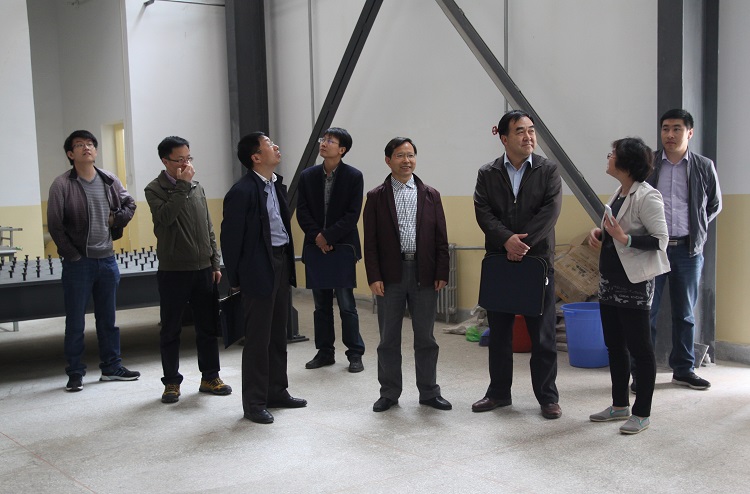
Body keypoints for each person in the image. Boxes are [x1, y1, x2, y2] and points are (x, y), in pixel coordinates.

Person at [472, 110, 563, 419]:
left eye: (531, 130)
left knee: (543, 335)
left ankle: (548, 398)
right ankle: (498, 393)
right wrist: (506, 240)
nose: (528, 137)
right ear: (504, 137)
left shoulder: (548, 170)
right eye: (520, 131)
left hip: (536, 262)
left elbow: (550, 211)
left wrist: (521, 244)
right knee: (499, 334)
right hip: (500, 261)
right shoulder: (487, 173)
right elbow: (483, 211)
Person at [221, 132, 306, 424]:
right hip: (257, 268)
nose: (276, 146)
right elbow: (231, 239)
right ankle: (254, 402)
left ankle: (276, 391)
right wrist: (236, 279)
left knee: (278, 332)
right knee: (258, 338)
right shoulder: (242, 191)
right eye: (269, 144)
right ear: (256, 157)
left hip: (280, 261)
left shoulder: (275, 184)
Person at [587, 137, 670, 434]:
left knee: (640, 349)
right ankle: (619, 404)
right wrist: (601, 233)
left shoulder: (648, 196)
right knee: (614, 345)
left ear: (626, 163)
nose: (608, 157)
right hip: (610, 281)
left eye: (613, 154)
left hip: (634, 283)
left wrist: (625, 238)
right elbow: (616, 227)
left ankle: (642, 413)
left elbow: (661, 239)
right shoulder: (620, 193)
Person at [363, 137, 452, 413]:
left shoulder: (430, 195)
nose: (406, 161)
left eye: (411, 155)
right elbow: (370, 241)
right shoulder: (376, 197)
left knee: (426, 337)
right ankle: (389, 393)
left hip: (424, 273)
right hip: (390, 275)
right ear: (388, 160)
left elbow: (440, 238)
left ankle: (429, 392)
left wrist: (441, 271)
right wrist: (374, 276)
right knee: (388, 338)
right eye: (400, 155)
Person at [47, 130, 140, 392]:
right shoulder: (62, 184)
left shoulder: (109, 179)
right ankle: (75, 373)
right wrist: (73, 255)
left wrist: (116, 219)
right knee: (76, 322)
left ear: (96, 151)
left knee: (108, 320)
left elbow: (130, 204)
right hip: (79, 263)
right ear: (70, 154)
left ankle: (111, 367)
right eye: (79, 145)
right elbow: (55, 225)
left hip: (107, 260)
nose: (86, 148)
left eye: (90, 144)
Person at [639, 109, 722, 391]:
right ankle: (643, 372)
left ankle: (684, 370)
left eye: (677, 129)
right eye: (665, 128)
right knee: (647, 312)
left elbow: (714, 204)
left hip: (688, 250)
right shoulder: (648, 164)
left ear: (689, 132)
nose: (670, 134)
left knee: (685, 314)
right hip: (654, 249)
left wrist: (696, 226)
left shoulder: (703, 166)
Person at [144, 136, 231, 404]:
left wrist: (214, 261)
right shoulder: (154, 189)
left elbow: (208, 226)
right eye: (179, 159)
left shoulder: (197, 187)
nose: (186, 164)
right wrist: (182, 185)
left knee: (208, 327)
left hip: (203, 268)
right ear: (165, 161)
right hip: (173, 270)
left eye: (188, 158)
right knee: (171, 329)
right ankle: (171, 382)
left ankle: (210, 377)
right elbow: (166, 217)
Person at [296, 127, 365, 373]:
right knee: (321, 306)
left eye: (330, 141)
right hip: (316, 247)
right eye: (323, 139)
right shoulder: (307, 176)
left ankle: (355, 353)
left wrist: (328, 236)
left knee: (347, 305)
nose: (324, 143)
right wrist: (318, 237)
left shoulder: (354, 176)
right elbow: (302, 211)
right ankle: (325, 352)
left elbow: (352, 214)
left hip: (342, 247)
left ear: (342, 149)